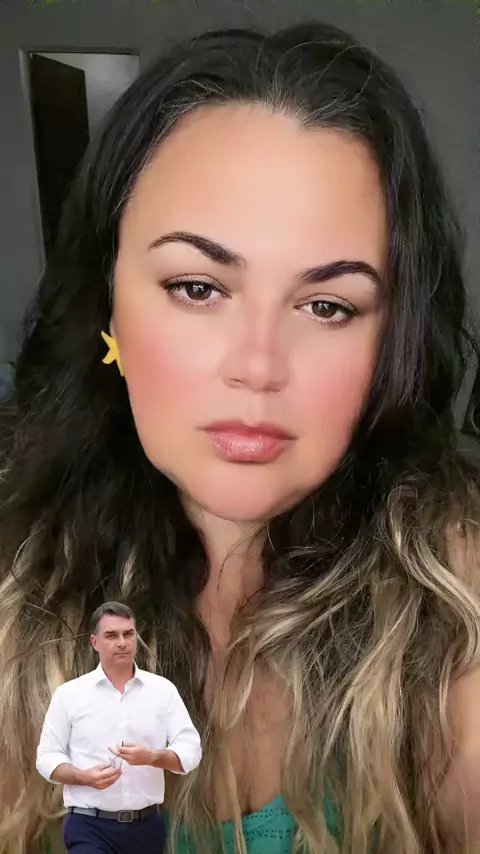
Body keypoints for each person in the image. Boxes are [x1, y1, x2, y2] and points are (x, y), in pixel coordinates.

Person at [0, 19, 479, 854]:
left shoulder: (454, 600)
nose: (258, 367)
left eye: (327, 306)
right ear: (108, 306)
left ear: (390, 343)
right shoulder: (18, 587)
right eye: (198, 287)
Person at [36, 601, 202, 854]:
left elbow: (190, 748)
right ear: (95, 642)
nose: (122, 642)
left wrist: (153, 757)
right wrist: (82, 778)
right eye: (112, 635)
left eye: (128, 634)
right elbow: (47, 756)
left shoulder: (163, 691)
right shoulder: (69, 695)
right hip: (88, 825)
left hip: (146, 827)